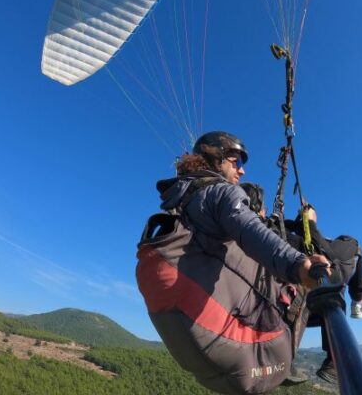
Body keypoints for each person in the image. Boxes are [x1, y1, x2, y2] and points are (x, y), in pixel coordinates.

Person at [136, 131, 330, 395]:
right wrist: (298, 265)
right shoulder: (221, 192)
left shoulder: (182, 203)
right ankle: (332, 357)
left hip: (211, 351)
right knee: (325, 282)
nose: (241, 170)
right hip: (242, 348)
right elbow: (250, 231)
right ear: (215, 158)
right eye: (235, 161)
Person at [239, 181, 362, 384]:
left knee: (329, 284)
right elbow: (319, 253)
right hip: (296, 297)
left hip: (277, 302)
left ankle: (361, 292)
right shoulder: (269, 237)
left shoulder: (247, 235)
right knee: (351, 247)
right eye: (264, 208)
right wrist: (310, 222)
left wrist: (293, 221)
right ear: (258, 208)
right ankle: (359, 296)